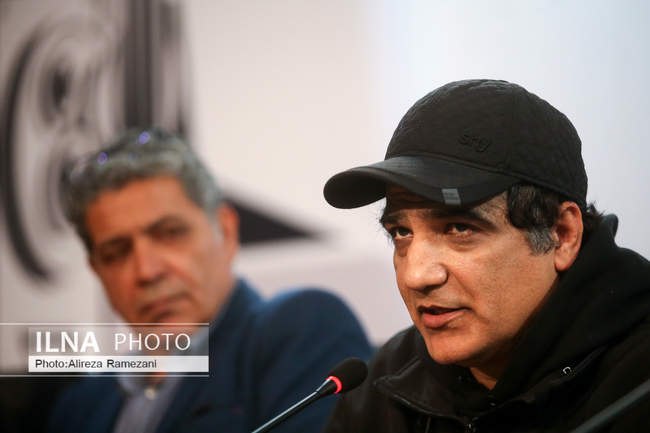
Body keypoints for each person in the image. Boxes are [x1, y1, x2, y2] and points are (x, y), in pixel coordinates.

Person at [322, 79, 650, 432]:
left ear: (561, 235)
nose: (416, 276)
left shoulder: (637, 381)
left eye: (459, 228)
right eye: (401, 233)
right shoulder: (387, 379)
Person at [48, 128, 372, 433]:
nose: (146, 271)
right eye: (116, 252)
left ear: (226, 232)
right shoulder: (80, 405)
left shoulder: (301, 330)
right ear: (97, 271)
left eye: (169, 234)